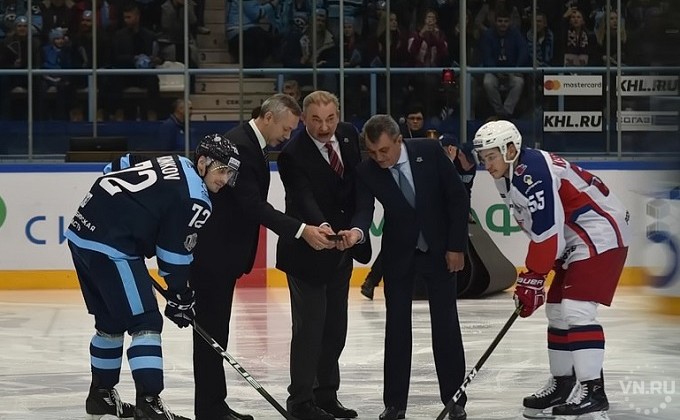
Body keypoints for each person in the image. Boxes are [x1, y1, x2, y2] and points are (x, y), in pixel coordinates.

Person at [64, 134, 242, 420]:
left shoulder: (175, 161)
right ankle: (149, 404)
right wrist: (180, 295)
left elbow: (119, 165)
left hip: (81, 234)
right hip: (112, 246)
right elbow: (173, 256)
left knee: (110, 321)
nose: (225, 179)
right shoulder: (196, 198)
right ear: (202, 162)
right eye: (221, 170)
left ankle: (101, 396)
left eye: (230, 174)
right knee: (145, 321)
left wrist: (118, 211)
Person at [190, 93, 335, 420]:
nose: (288, 135)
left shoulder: (251, 144)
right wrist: (301, 230)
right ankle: (210, 410)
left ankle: (214, 406)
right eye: (286, 128)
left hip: (222, 257)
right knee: (211, 335)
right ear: (269, 118)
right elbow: (253, 206)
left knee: (216, 334)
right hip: (214, 257)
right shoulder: (240, 146)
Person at [471, 120, 630, 418]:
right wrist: (537, 274)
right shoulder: (508, 174)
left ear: (510, 149)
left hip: (599, 231)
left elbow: (547, 229)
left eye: (491, 156)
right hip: (574, 236)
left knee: (577, 310)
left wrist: (534, 275)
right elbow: (538, 227)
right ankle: (563, 383)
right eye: (483, 158)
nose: (486, 164)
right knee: (556, 310)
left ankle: (594, 392)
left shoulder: (533, 171)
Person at [348, 114, 470, 420]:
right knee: (396, 329)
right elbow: (363, 209)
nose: (379, 158)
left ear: (398, 140)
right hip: (399, 256)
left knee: (446, 326)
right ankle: (394, 404)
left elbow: (457, 197)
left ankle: (454, 399)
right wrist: (357, 232)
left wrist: (456, 247)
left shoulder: (429, 151)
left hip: (440, 253)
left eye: (384, 151)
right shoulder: (366, 170)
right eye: (372, 152)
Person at [275, 90, 370, 420]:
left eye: (330, 119)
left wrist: (355, 230)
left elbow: (360, 188)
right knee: (310, 330)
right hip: (307, 253)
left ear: (338, 116)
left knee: (335, 329)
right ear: (303, 119)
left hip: (342, 250)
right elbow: (304, 199)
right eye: (316, 120)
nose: (324, 127)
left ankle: (326, 395)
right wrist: (325, 229)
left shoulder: (349, 136)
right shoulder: (292, 154)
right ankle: (300, 402)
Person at [360, 133, 475, 300]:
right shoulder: (433, 157)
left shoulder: (460, 164)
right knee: (397, 239)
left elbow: (460, 194)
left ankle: (373, 278)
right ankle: (372, 278)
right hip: (413, 223)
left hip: (436, 228)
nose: (469, 164)